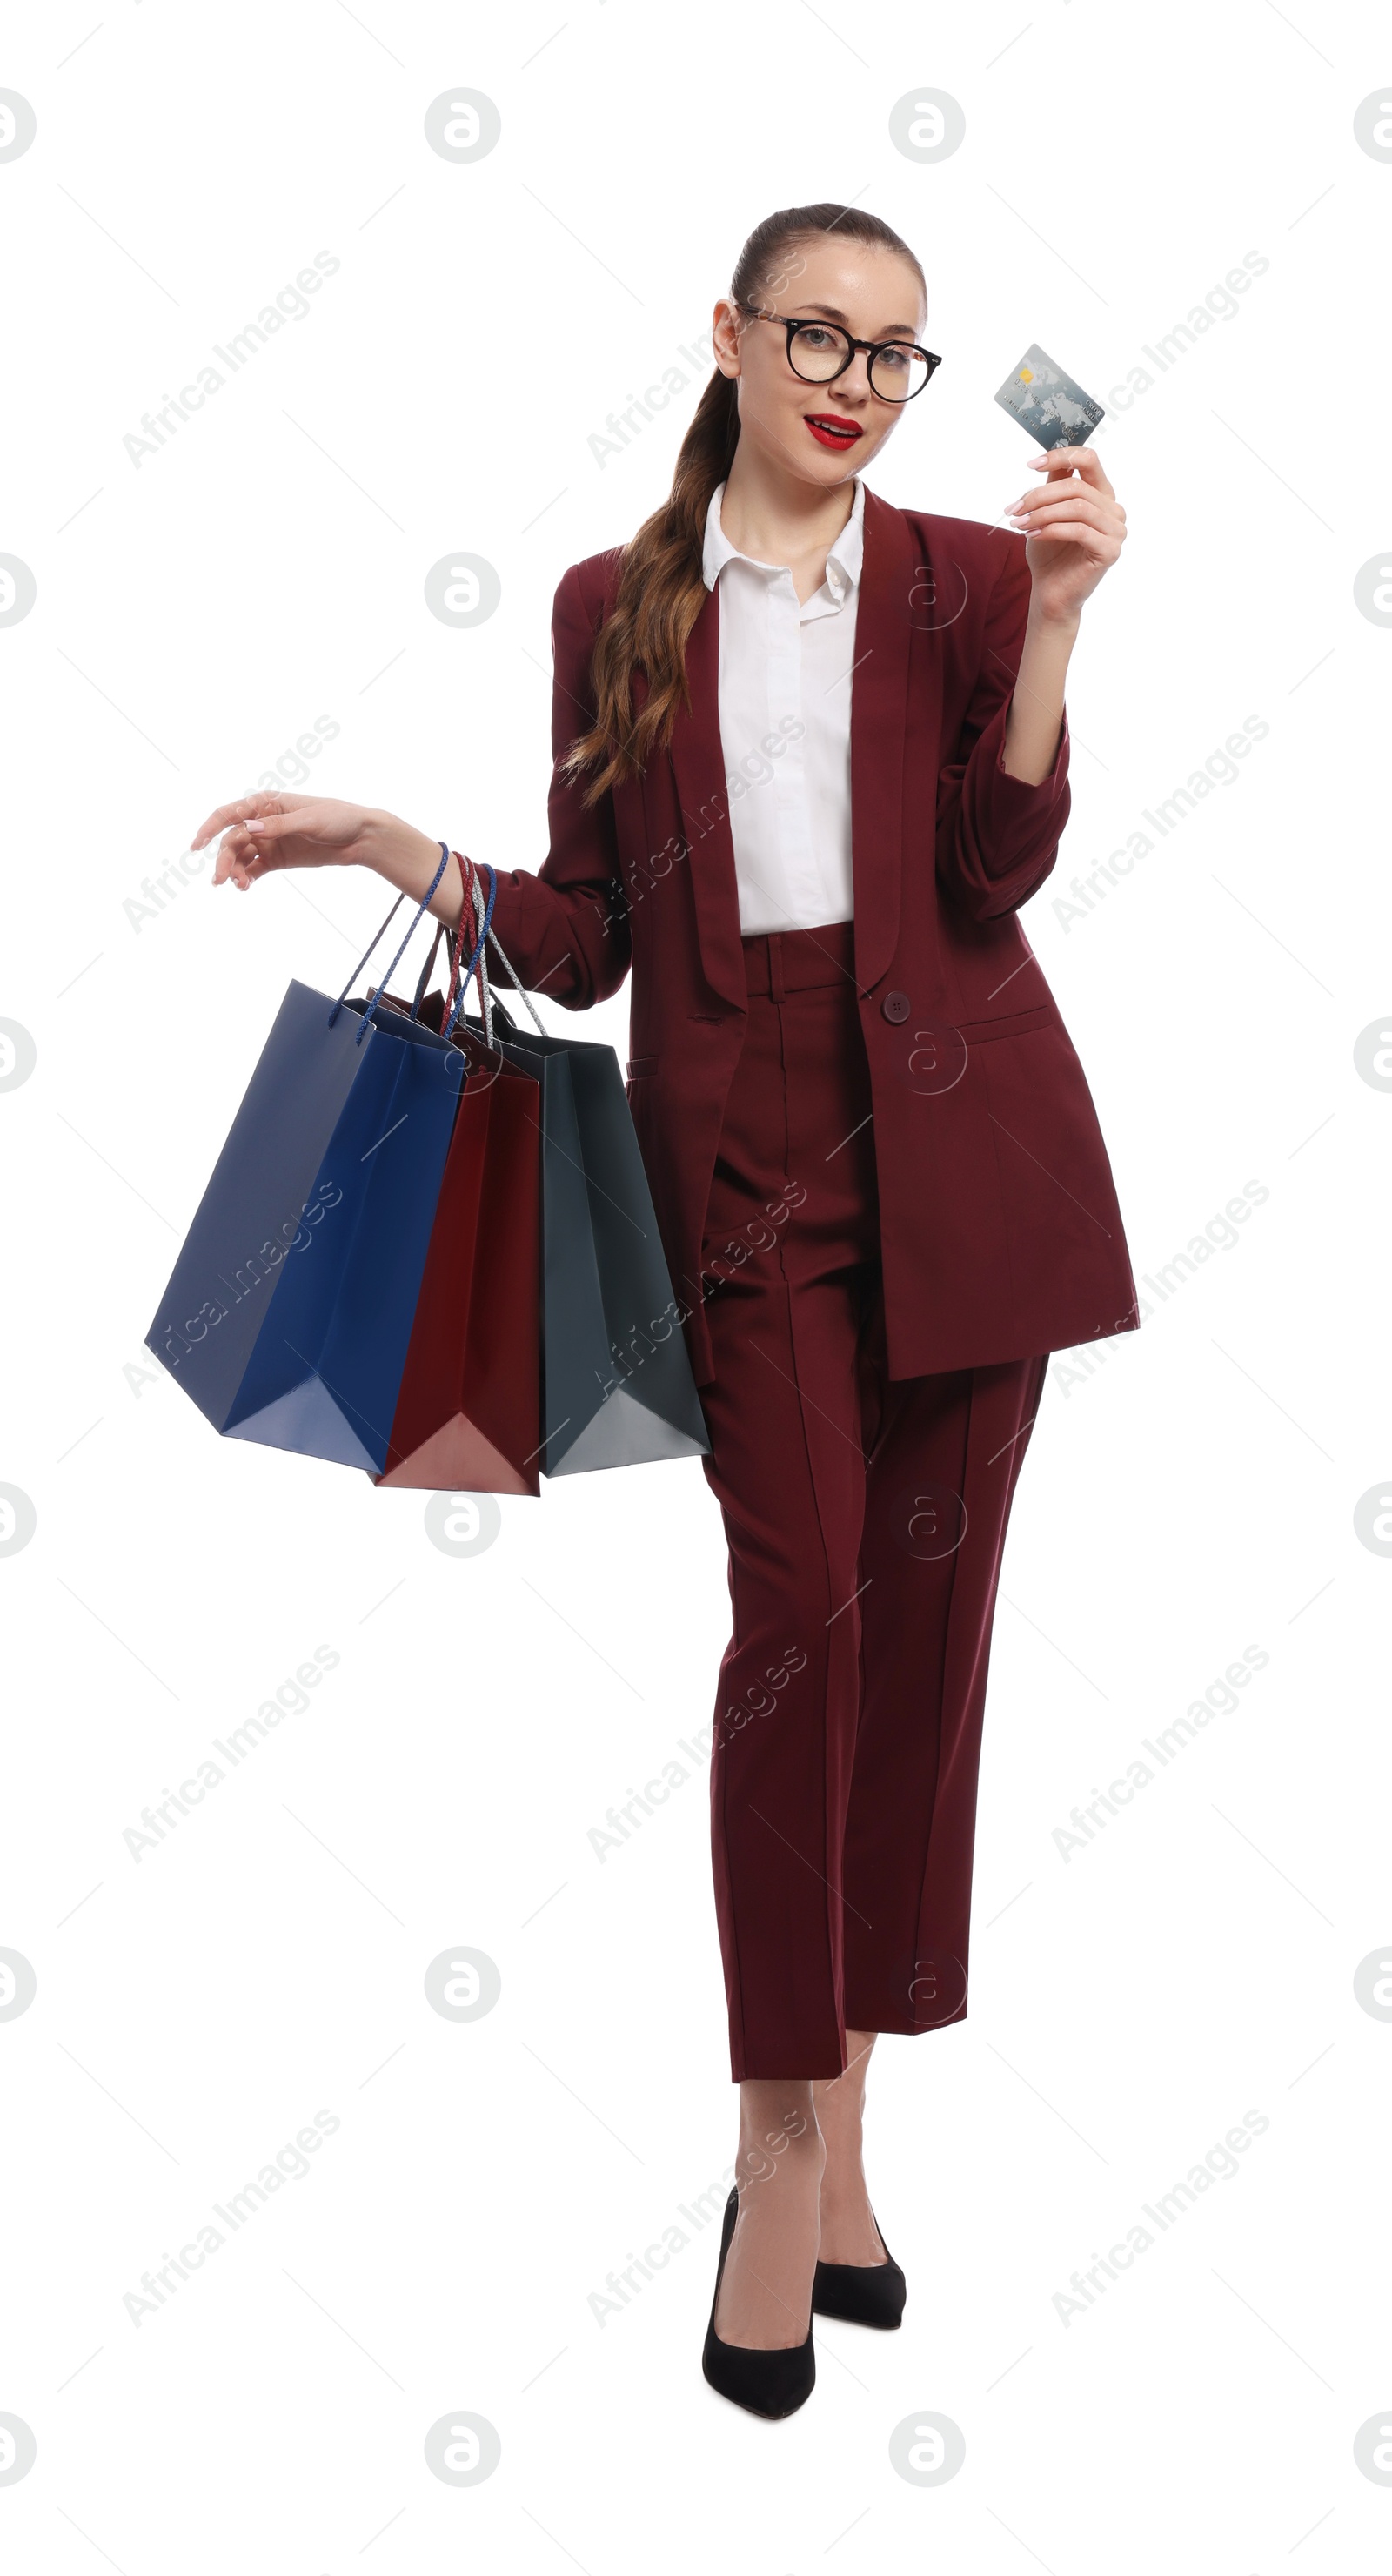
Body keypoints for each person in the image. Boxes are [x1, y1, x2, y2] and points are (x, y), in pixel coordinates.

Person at [192, 201, 1135, 2419]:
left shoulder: (966, 582)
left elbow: (994, 878)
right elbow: (588, 936)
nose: (857, 380)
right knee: (794, 1630)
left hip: (966, 1165)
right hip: (747, 1180)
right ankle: (770, 2140)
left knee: (921, 1650)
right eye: (818, 332)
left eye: (898, 355)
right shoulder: (616, 607)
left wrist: (1066, 628)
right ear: (725, 333)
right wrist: (387, 846)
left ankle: (859, 2143)